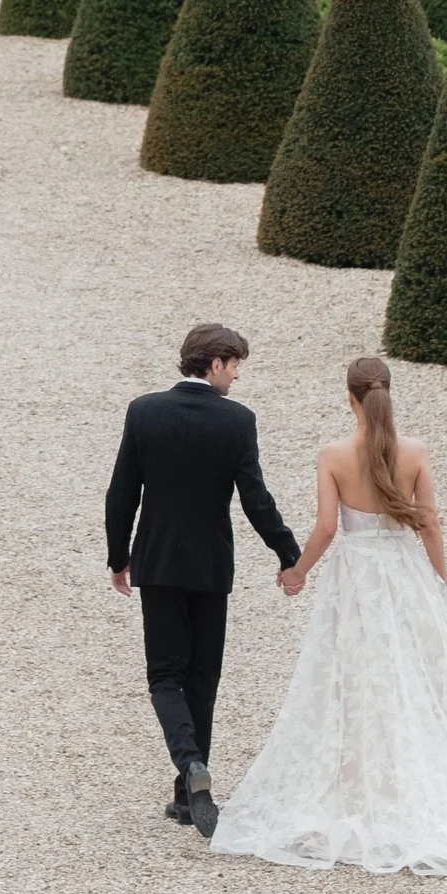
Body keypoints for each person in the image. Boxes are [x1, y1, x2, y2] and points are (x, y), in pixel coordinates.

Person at [209, 355, 447, 879]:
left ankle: (358, 788)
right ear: (388, 395)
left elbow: (328, 528)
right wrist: (439, 579)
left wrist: (298, 572)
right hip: (405, 574)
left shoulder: (332, 454)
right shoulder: (416, 452)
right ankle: (428, 785)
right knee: (421, 675)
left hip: (355, 578)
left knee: (352, 678)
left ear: (350, 398)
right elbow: (429, 525)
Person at [105, 322, 303, 835]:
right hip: (212, 567)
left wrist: (117, 555)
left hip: (159, 563)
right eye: (234, 365)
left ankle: (191, 769)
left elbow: (121, 492)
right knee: (202, 678)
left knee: (165, 676)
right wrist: (287, 552)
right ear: (213, 363)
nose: (236, 376)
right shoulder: (237, 421)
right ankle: (190, 798)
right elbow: (255, 499)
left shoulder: (144, 411)